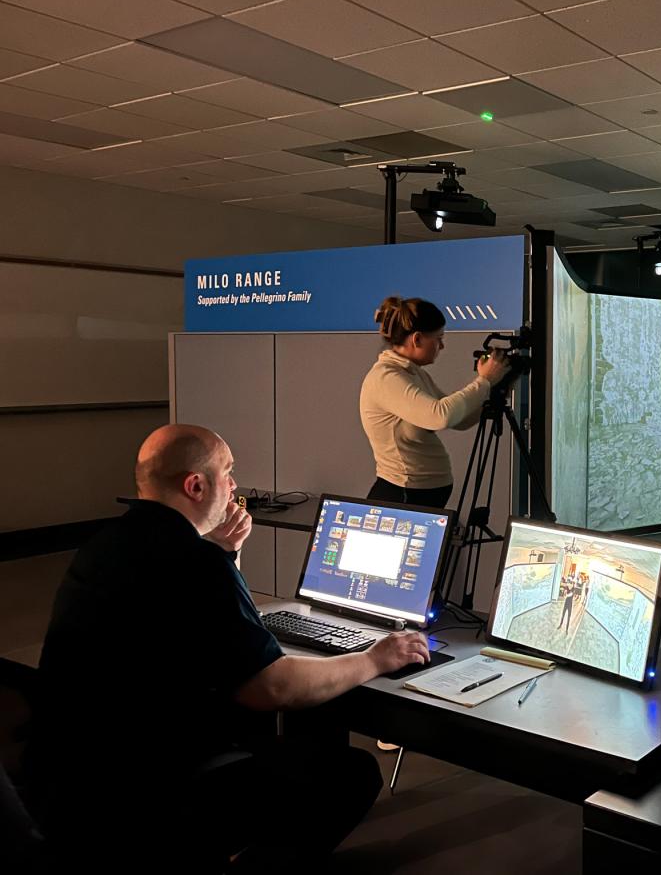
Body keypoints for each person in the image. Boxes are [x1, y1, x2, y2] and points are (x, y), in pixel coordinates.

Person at [25, 424, 431, 873]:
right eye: (228, 472)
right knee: (350, 775)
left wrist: (224, 552)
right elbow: (271, 687)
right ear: (196, 485)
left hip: (70, 779)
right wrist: (376, 657)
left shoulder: (105, 545)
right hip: (149, 792)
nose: (235, 486)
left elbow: (189, 627)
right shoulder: (194, 563)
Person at [360, 296, 509, 510]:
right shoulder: (386, 378)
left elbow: (459, 420)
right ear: (417, 339)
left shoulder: (412, 373)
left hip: (418, 494)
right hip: (403, 495)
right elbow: (441, 416)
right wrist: (483, 381)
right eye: (438, 338)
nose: (442, 345)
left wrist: (496, 388)